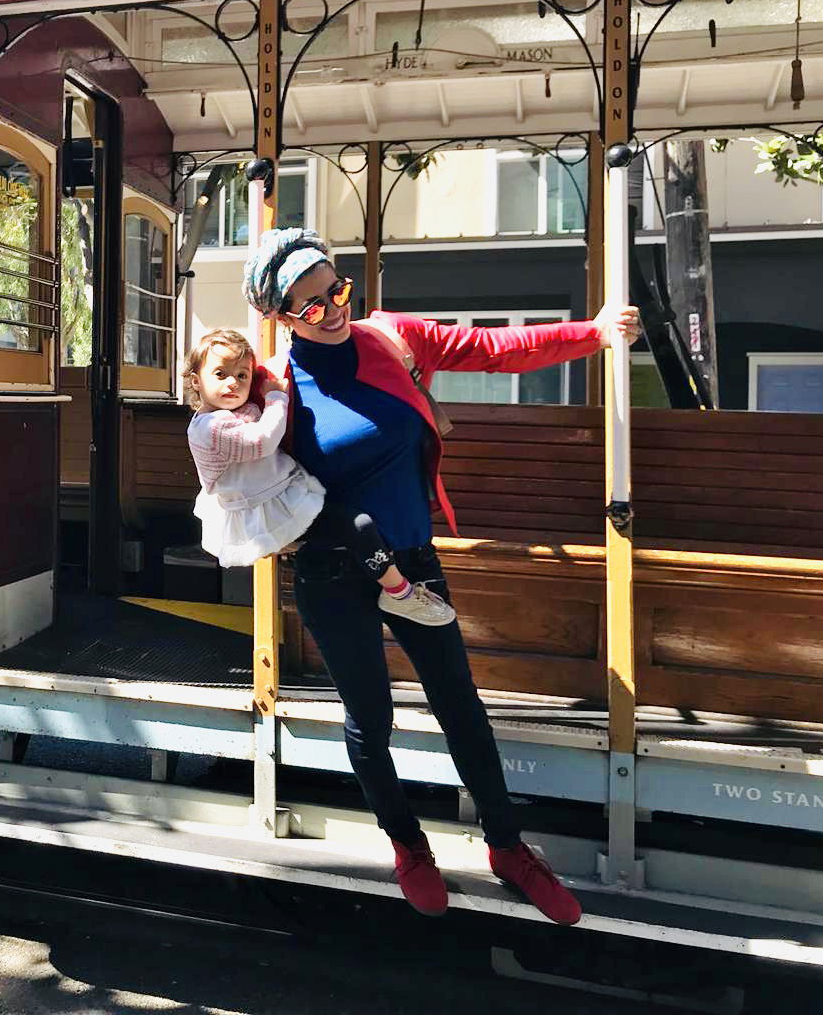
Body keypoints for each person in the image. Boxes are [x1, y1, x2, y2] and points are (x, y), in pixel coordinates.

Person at [242, 228, 640, 926]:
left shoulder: (391, 338)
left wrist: (596, 333)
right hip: (334, 571)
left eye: (336, 289)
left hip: (414, 562)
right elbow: (241, 473)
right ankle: (407, 846)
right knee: (372, 721)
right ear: (279, 316)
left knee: (460, 705)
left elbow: (493, 351)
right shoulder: (275, 387)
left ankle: (509, 848)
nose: (332, 308)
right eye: (308, 305)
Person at [183, 328, 456, 626]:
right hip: (262, 509)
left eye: (242, 375)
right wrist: (276, 397)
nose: (232, 383)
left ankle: (307, 544)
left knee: (352, 523)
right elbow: (262, 441)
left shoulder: (232, 410)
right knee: (358, 526)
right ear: (196, 381)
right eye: (220, 374)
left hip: (278, 493)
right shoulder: (210, 428)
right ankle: (399, 593)